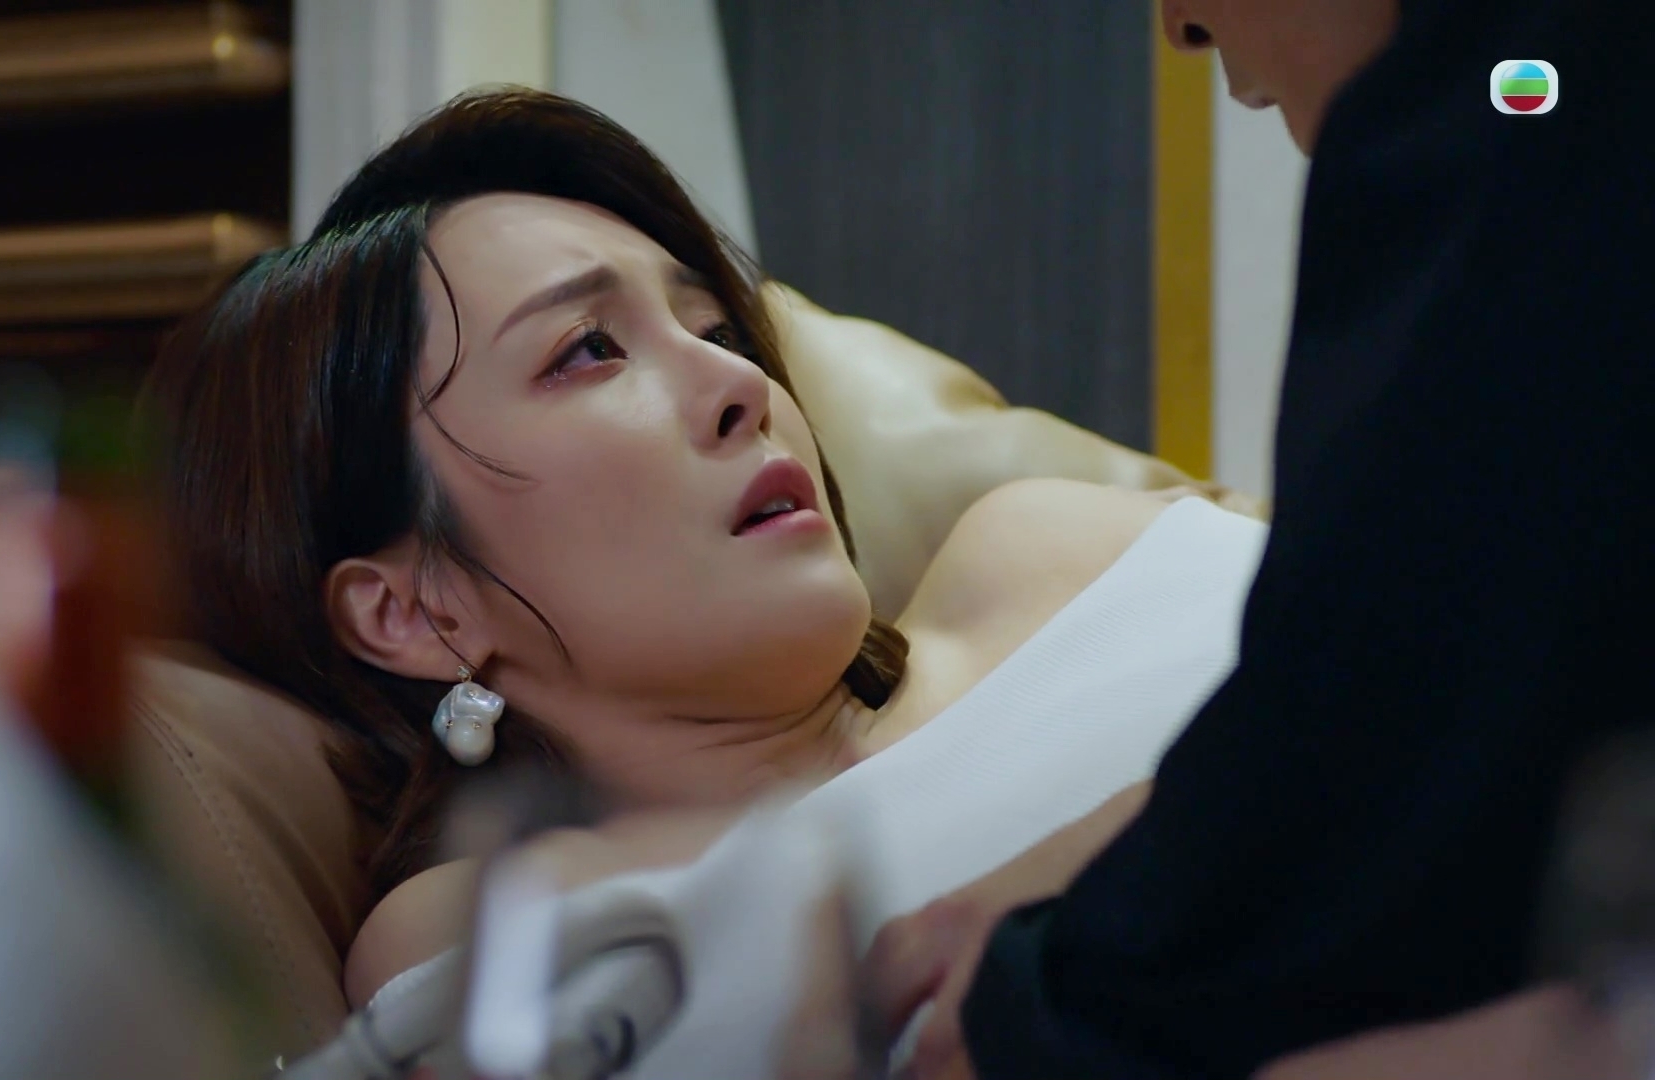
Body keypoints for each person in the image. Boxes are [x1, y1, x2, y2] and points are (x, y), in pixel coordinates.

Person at [140, 89, 1272, 1029]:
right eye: (587, 350)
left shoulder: (1059, 546)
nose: (741, 385)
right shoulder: (502, 926)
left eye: (715, 330)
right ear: (418, 610)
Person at [870, 0, 1655, 1076]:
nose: (1177, 29)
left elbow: (1390, 722)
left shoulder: (1034, 526)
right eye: (613, 349)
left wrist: (1047, 1001)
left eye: (720, 324)